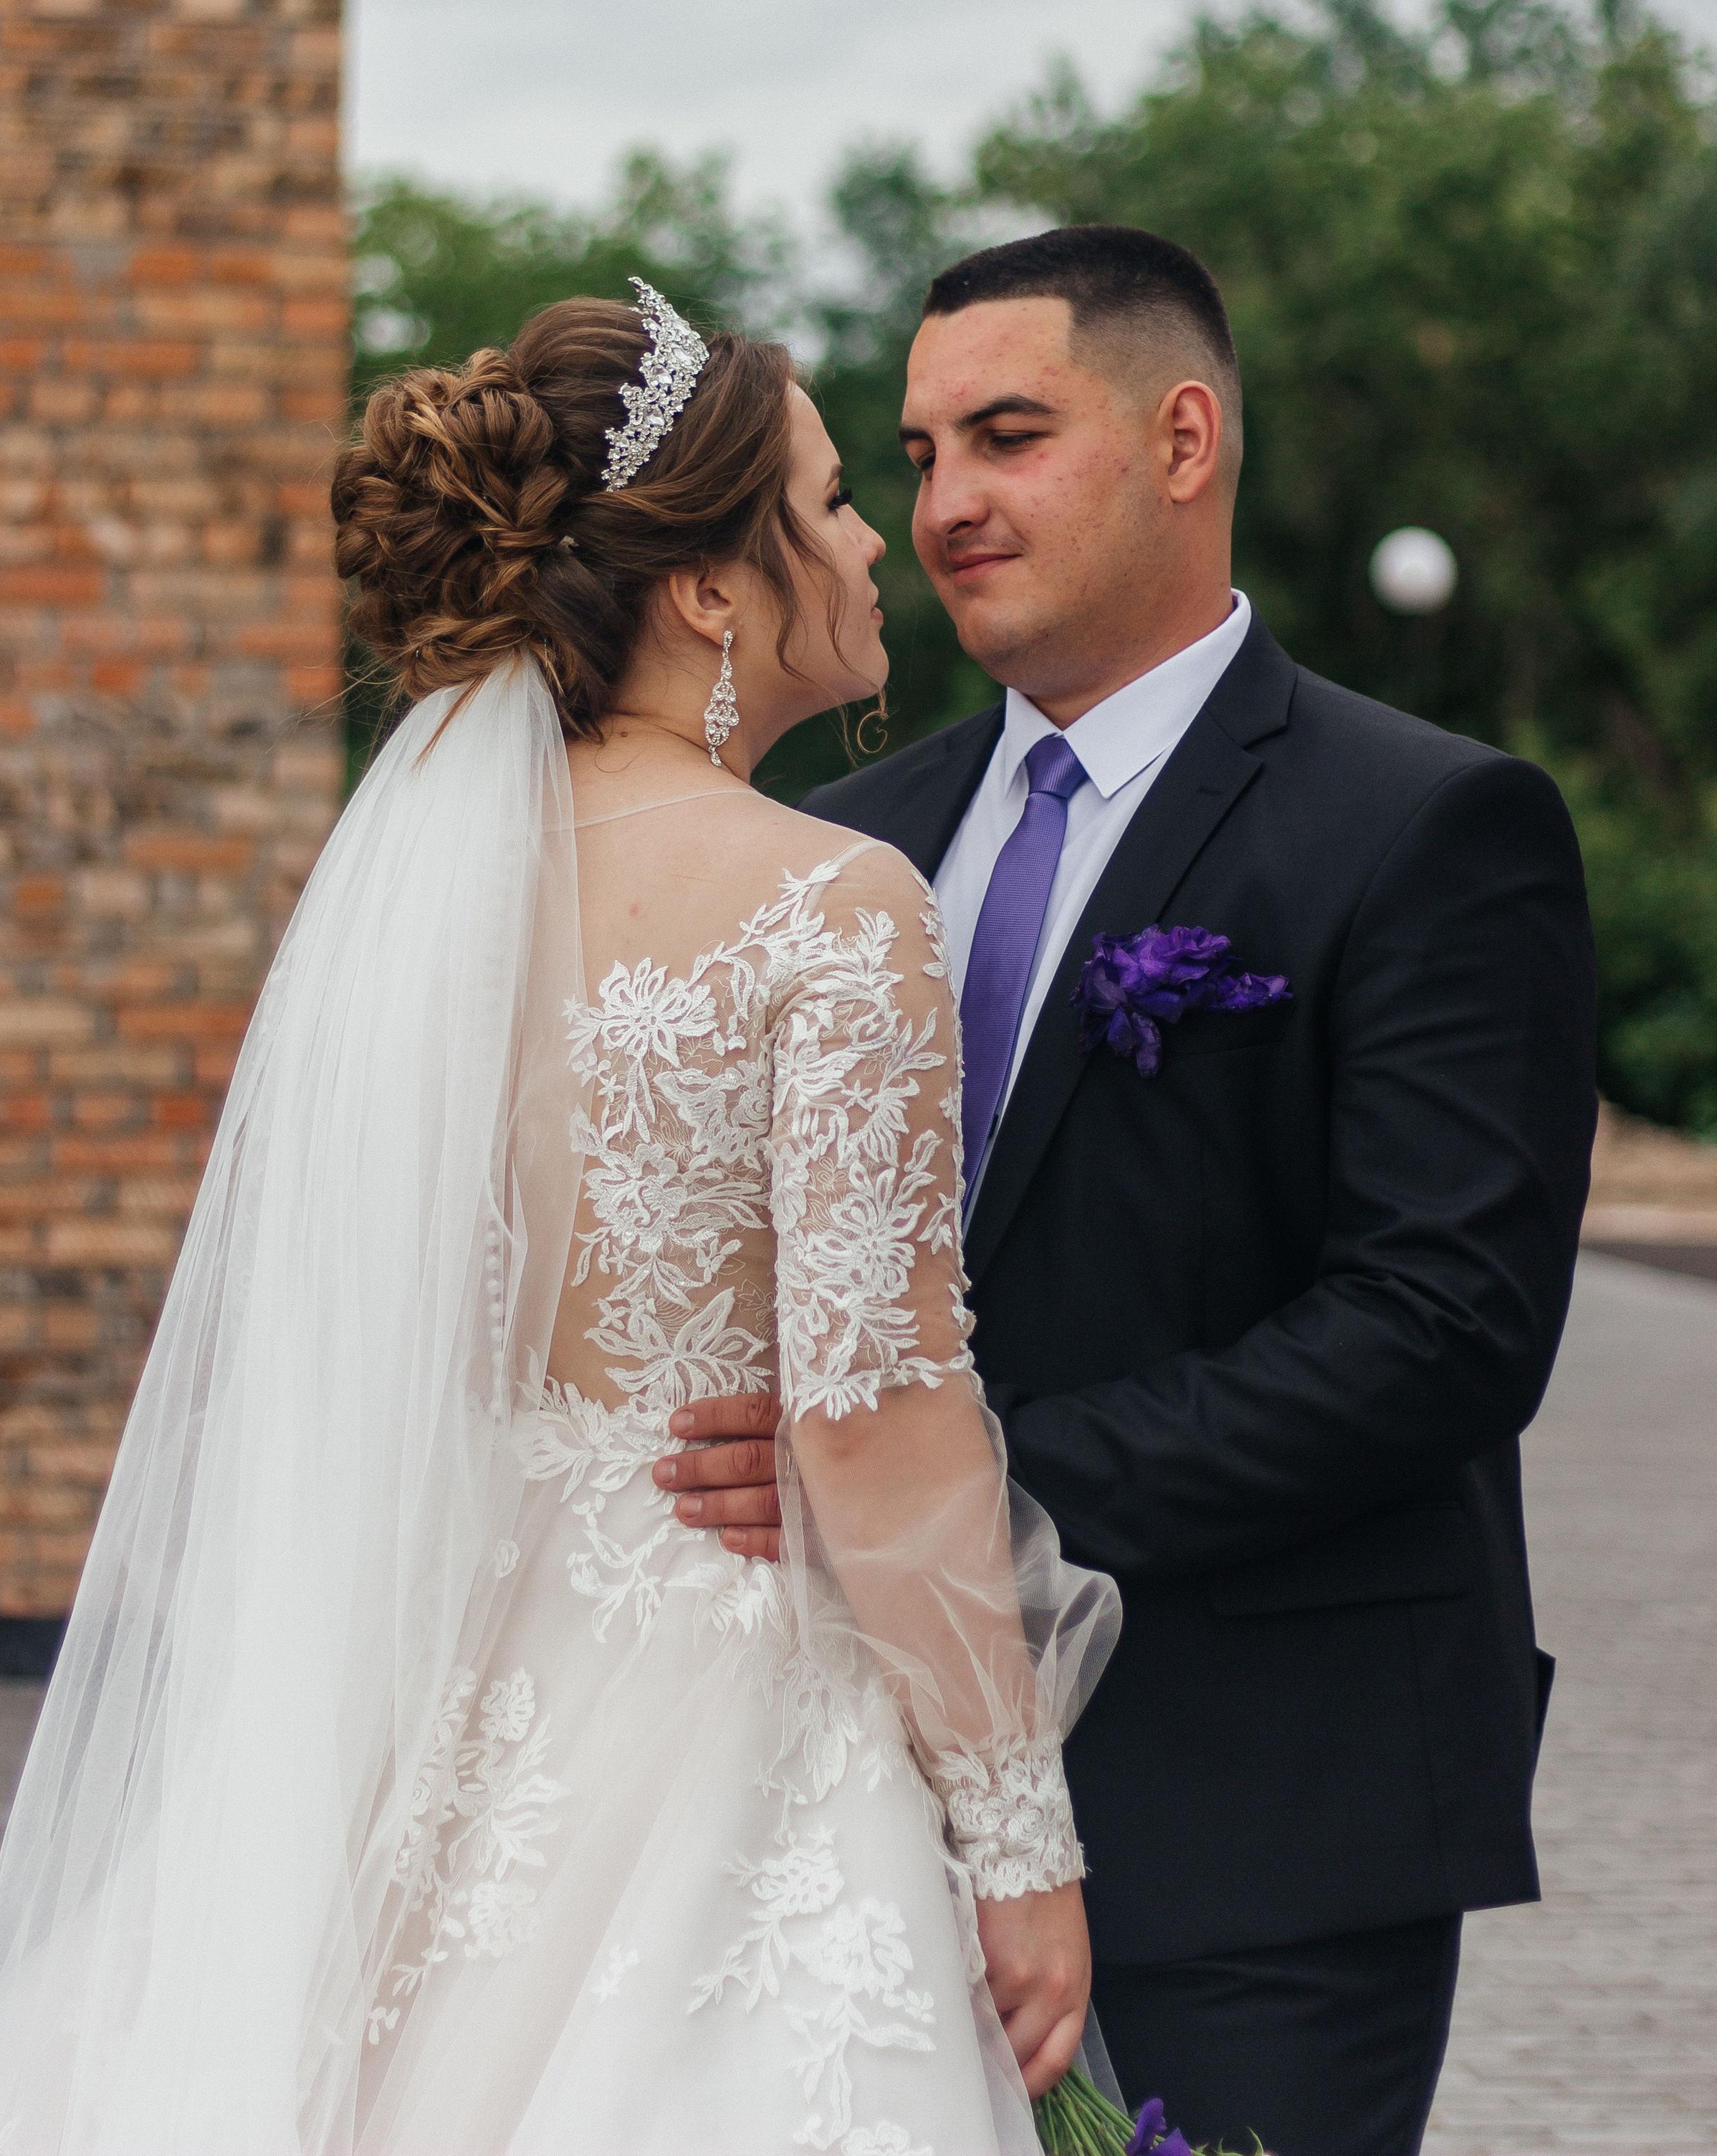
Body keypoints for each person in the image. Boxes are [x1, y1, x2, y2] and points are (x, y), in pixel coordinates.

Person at [0, 283, 1121, 2156]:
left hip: (442, 1672)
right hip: (720, 1685)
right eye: (830, 498)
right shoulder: (832, 904)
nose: (877, 539)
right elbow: (876, 1417)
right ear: (709, 589)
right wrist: (1021, 1842)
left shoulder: (418, 909)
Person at [660, 225, 1599, 2156]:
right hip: (850, 1811)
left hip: (1264, 1813)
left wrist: (946, 1494)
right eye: (918, 456)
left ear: (1184, 440)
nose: (946, 504)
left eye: (1008, 436)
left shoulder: (1428, 826)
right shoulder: (835, 845)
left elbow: (1442, 1333)